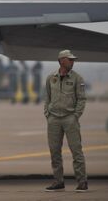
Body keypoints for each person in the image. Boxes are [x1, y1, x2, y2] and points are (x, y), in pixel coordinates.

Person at [44, 50, 87, 192]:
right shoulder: (51, 78)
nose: (73, 62)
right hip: (54, 119)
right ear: (62, 61)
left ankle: (82, 182)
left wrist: (75, 116)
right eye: (70, 60)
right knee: (54, 151)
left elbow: (81, 99)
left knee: (76, 151)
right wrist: (48, 114)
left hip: (70, 118)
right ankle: (58, 181)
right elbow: (47, 98)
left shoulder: (77, 78)